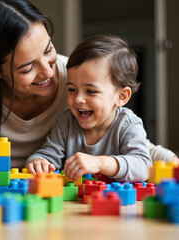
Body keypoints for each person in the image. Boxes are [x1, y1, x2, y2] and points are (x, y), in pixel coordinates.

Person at [0, 0, 179, 175]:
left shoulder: (75, 79)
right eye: (28, 67)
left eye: (49, 50)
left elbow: (136, 147)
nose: (48, 72)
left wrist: (177, 166)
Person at [26, 35, 156, 182]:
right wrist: (39, 162)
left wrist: (100, 163)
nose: (78, 99)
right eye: (72, 90)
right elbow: (49, 154)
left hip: (117, 201)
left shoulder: (128, 124)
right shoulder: (66, 122)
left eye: (91, 91)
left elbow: (143, 166)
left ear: (121, 96)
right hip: (76, 202)